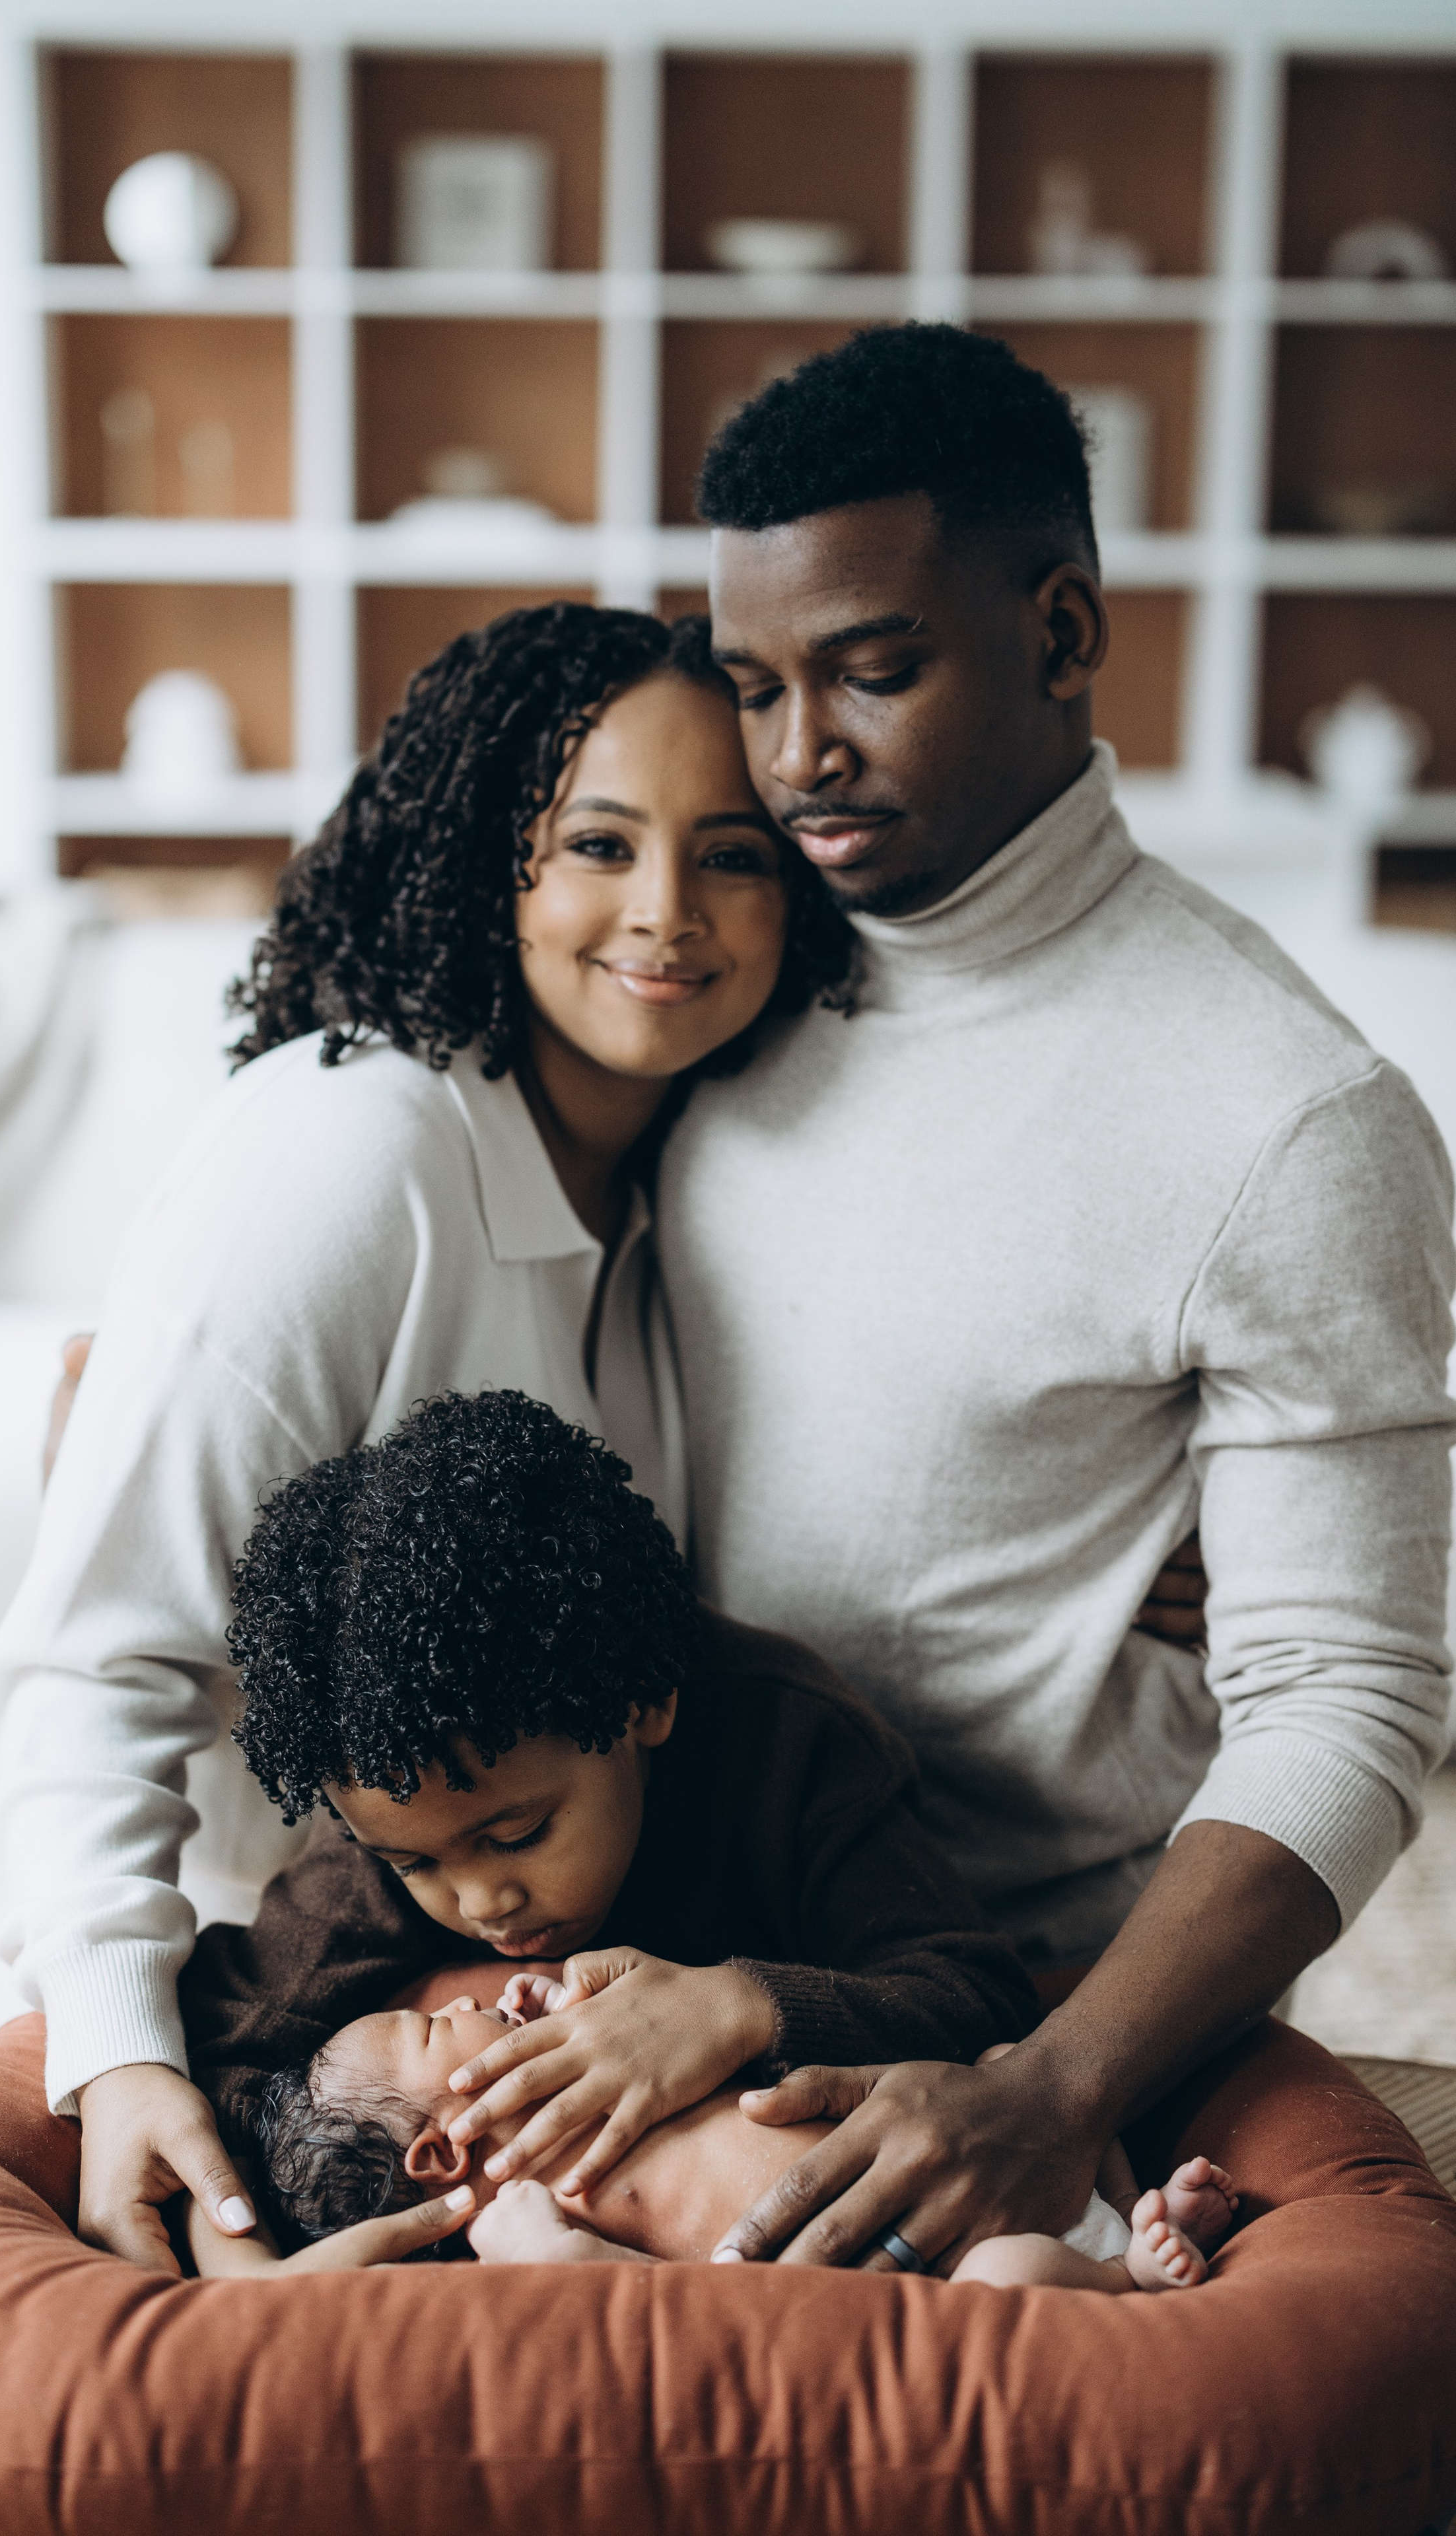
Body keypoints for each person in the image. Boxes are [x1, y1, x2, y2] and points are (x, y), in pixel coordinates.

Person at [650, 322, 1455, 2273]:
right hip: (646, 1934)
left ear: (1063, 630)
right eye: (752, 687)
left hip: (1027, 2004)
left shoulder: (1286, 1115)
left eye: (874, 670)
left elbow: (1348, 1696)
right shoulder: (710, 964)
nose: (797, 755)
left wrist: (1055, 2086)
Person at [0, 605, 855, 2275]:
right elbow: (95, 1659)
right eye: (598, 844)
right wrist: (123, 2057)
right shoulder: (348, 1149)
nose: (668, 911)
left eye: (731, 853)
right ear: (479, 863)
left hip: (507, 1994)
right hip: (243, 2004)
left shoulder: (686, 1194)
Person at [178, 1387, 1037, 2191]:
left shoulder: (790, 1741)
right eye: (414, 1867)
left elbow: (978, 1994)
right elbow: (220, 2042)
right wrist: (232, 2240)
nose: (482, 1902)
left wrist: (740, 2008)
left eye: (518, 1837)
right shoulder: (397, 1788)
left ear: (643, 1704)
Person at [188, 1990, 1237, 2296]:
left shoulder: (584, 2071)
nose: (461, 2002)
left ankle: (1125, 2201)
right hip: (945, 2254)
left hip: (981, 2157)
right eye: (433, 2029)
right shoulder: (521, 2218)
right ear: (440, 2153)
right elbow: (634, 2296)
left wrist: (560, 2007)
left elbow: (652, 2034)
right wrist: (560, 2254)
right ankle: (1132, 2272)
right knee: (1006, 2283)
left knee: (1015, 2058)